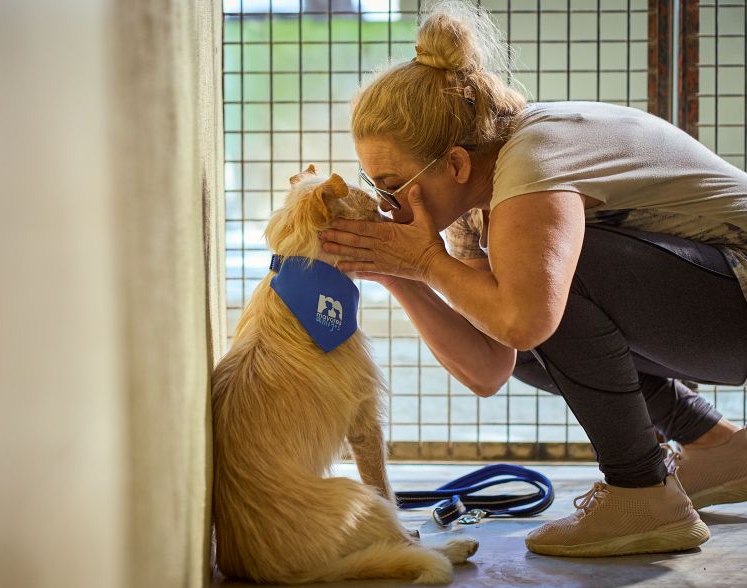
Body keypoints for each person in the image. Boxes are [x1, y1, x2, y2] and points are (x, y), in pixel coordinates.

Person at [319, 0, 747, 557]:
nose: (386, 203)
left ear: (454, 164)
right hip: (718, 305)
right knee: (499, 300)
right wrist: (400, 275)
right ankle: (716, 446)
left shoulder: (532, 160)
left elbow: (525, 320)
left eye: (391, 183)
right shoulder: (480, 201)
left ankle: (640, 491)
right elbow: (491, 364)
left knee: (543, 287)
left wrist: (426, 261)